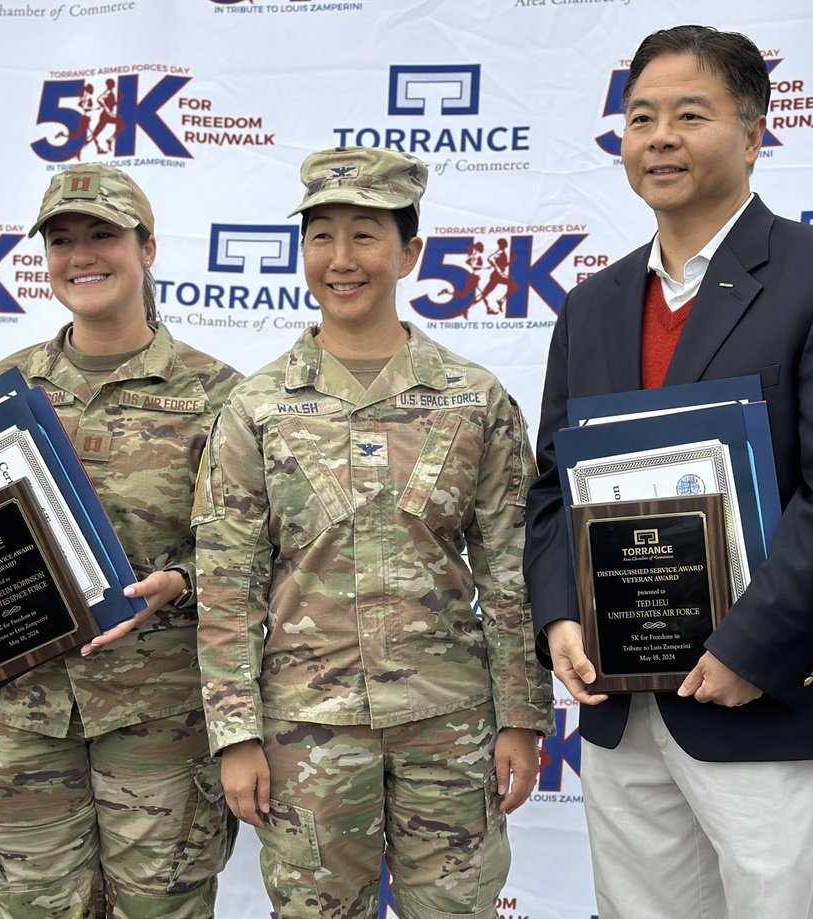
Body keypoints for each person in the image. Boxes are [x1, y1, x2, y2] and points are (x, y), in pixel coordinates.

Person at [523, 25, 813, 919]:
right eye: (640, 116)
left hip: (756, 693)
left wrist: (752, 646)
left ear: (753, 131)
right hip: (621, 703)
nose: (659, 136)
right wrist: (560, 618)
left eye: (689, 114)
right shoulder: (591, 305)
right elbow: (553, 487)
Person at [193, 146, 554, 919]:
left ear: (409, 252)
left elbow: (512, 571)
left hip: (449, 725)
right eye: (321, 235)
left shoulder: (474, 400)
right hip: (306, 736)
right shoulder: (256, 408)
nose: (341, 258)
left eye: (365, 235)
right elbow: (228, 584)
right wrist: (235, 733)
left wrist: (521, 717)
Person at [0, 163, 240, 919]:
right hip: (21, 718)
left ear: (146, 248)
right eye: (61, 240)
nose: (81, 255)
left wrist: (180, 583)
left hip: (156, 719)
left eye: (103, 236)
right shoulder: (4, 385)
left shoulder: (219, 395)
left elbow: (250, 557)